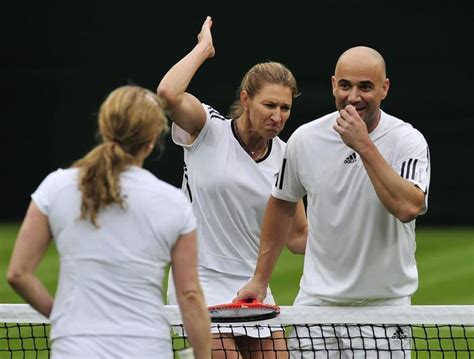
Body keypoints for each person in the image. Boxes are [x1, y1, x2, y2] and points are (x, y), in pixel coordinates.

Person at [235, 46, 431, 358]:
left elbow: (408, 207)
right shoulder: (304, 139)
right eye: (345, 85)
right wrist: (260, 280)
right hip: (316, 307)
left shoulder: (406, 141)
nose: (354, 96)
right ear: (333, 85)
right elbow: (282, 202)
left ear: (385, 88)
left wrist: (363, 145)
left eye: (365, 87)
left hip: (382, 309)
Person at [7, 85, 211, 359]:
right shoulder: (173, 203)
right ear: (152, 139)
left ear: (104, 128)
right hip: (146, 349)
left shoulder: (55, 187)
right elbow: (189, 295)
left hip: (74, 349)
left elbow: (18, 274)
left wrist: (62, 317)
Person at [157, 16, 307, 358]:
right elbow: (167, 93)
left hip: (255, 286)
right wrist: (202, 50)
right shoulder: (206, 128)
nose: (278, 116)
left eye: (285, 108)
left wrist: (354, 236)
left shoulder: (289, 156)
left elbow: (298, 236)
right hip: (201, 280)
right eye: (269, 105)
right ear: (246, 99)